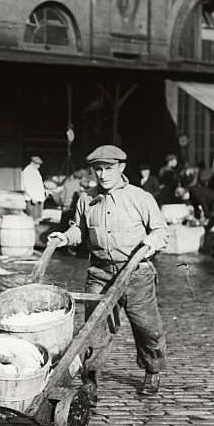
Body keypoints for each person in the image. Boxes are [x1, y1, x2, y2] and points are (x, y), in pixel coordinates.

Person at [48, 144, 169, 399]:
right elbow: (79, 230)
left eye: (108, 169)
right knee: (94, 330)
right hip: (100, 273)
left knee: (147, 327)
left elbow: (160, 231)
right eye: (98, 169)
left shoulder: (140, 198)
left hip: (137, 273)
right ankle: (90, 380)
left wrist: (150, 244)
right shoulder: (86, 199)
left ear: (121, 168)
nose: (102, 175)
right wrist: (64, 237)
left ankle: (152, 370)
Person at [21, 156, 47, 221]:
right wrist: (32, 197)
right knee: (33, 219)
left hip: (38, 199)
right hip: (33, 200)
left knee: (38, 218)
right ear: (32, 163)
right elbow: (26, 186)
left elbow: (38, 184)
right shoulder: (28, 171)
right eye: (37, 164)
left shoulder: (35, 171)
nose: (39, 166)